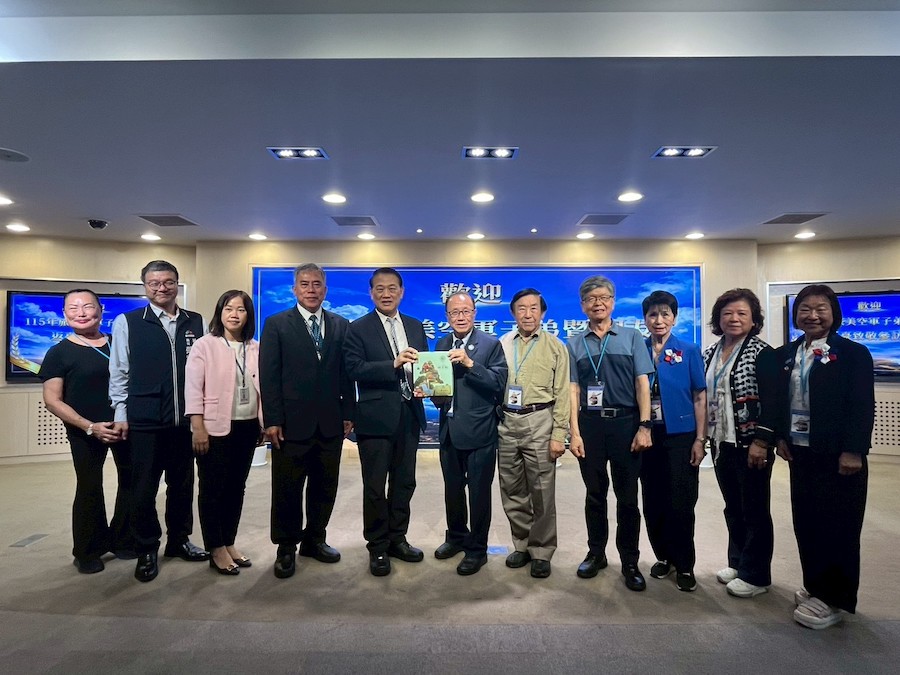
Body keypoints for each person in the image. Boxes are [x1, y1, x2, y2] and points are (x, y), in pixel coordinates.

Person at [773, 284, 874, 629]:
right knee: (807, 521)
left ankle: (836, 599)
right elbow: (781, 401)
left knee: (839, 526)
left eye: (821, 309)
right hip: (802, 451)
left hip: (839, 455)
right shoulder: (788, 354)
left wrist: (853, 449)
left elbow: (862, 405)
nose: (812, 315)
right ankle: (816, 585)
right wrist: (781, 437)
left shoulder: (853, 353)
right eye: (805, 309)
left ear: (834, 314)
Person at [109, 260, 209, 583]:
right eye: (154, 283)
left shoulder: (196, 321)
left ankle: (179, 540)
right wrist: (120, 414)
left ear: (177, 284)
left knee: (182, 486)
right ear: (145, 287)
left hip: (184, 423)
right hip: (145, 421)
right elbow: (119, 371)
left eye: (168, 282)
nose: (161, 288)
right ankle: (147, 548)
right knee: (143, 490)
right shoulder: (128, 322)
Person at [259, 264, 354, 580]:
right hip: (290, 426)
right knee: (286, 489)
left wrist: (348, 413)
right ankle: (286, 547)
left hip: (330, 423)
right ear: (295, 289)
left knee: (325, 487)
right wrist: (272, 420)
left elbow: (346, 374)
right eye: (305, 284)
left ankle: (315, 540)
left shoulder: (340, 325)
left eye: (316, 284)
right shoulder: (276, 324)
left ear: (325, 290)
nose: (311, 290)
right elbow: (269, 376)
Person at [567, 276, 654, 592]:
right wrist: (574, 433)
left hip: (625, 424)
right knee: (594, 494)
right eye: (591, 299)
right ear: (583, 306)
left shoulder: (632, 337)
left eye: (604, 297)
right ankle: (596, 553)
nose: (598, 303)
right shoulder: (574, 343)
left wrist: (644, 425)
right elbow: (573, 390)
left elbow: (642, 383)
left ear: (613, 302)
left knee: (627, 497)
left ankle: (630, 561)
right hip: (590, 426)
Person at [40, 289, 134, 574]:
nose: (80, 313)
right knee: (89, 486)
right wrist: (89, 427)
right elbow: (52, 400)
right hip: (85, 430)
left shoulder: (119, 343)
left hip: (124, 425)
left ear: (101, 310)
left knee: (132, 483)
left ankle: (123, 539)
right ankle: (87, 550)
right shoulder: (59, 352)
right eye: (73, 308)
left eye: (87, 306)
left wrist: (125, 418)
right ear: (65, 314)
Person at [344, 267, 427, 577]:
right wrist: (392, 364)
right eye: (380, 288)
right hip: (375, 419)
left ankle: (397, 539)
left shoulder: (415, 326)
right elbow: (354, 368)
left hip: (410, 415)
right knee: (376, 486)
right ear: (371, 293)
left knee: (405, 483)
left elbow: (425, 367)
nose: (386, 293)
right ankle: (377, 546)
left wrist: (425, 384)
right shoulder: (358, 328)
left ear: (402, 292)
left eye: (392, 288)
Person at [702, 288, 777, 598]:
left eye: (742, 313)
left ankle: (757, 576)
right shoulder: (710, 352)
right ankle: (738, 562)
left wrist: (762, 440)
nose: (734, 318)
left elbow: (773, 401)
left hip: (751, 444)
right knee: (733, 506)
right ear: (718, 318)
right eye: (727, 313)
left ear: (754, 319)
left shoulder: (763, 353)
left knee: (755, 509)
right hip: (722, 442)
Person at [185, 290, 261, 576]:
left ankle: (229, 542)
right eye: (228, 308)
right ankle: (215, 547)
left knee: (236, 487)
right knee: (212, 489)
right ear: (220, 312)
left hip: (247, 426)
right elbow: (193, 388)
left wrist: (264, 423)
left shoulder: (255, 347)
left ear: (248, 315)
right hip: (214, 429)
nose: (234, 314)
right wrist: (198, 427)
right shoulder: (205, 345)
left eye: (240, 309)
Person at [431, 293, 508, 575]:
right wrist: (429, 390)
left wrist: (470, 364)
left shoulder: (490, 344)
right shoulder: (442, 344)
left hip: (479, 432)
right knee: (452, 491)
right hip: (449, 430)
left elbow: (498, 383)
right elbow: (439, 384)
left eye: (465, 311)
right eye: (454, 312)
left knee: (478, 494)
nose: (460, 317)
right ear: (447, 317)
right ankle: (456, 537)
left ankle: (477, 549)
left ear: (474, 313)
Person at [637, 290, 707, 592]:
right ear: (645, 319)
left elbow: (699, 396)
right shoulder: (638, 348)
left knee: (681, 501)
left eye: (665, 314)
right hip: (647, 434)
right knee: (653, 500)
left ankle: (685, 564)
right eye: (652, 314)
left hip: (681, 435)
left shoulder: (688, 350)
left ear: (674, 318)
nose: (659, 320)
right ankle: (663, 556)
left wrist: (700, 439)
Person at [497, 288, 570, 579]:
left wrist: (559, 434)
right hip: (507, 421)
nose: (528, 314)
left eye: (534, 308)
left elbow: (563, 393)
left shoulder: (556, 346)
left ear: (542, 312)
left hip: (540, 420)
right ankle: (522, 544)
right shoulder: (502, 343)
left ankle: (541, 550)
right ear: (513, 313)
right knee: (511, 489)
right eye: (522, 309)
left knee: (542, 491)